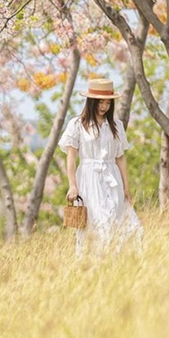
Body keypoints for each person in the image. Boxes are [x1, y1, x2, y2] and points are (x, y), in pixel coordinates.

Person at [59, 77, 144, 258]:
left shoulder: (116, 126)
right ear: (91, 102)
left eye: (107, 102)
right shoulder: (77, 125)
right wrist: (72, 185)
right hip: (89, 178)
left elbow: (120, 158)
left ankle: (119, 265)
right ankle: (96, 267)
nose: (104, 106)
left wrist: (127, 188)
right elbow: (71, 157)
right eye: (100, 102)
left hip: (112, 178)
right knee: (99, 225)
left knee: (131, 226)